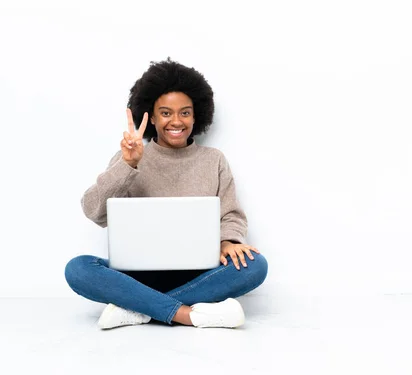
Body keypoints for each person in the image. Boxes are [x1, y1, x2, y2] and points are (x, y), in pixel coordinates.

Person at [64, 58, 268, 330]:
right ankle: (187, 313)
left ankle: (139, 309)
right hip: (139, 275)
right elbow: (94, 210)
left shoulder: (214, 160)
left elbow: (230, 214)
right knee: (78, 268)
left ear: (197, 116)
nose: (176, 121)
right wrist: (129, 165)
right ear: (151, 116)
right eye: (166, 113)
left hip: (199, 273)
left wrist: (227, 242)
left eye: (185, 113)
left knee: (256, 265)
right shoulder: (131, 156)